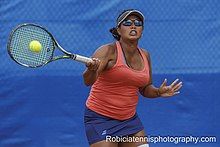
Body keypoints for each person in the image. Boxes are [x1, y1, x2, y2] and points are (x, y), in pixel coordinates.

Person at [83, 9, 183, 147]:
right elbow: (87, 81)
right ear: (118, 30)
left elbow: (145, 88)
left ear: (142, 30)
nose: (133, 26)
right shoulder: (107, 51)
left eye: (138, 23)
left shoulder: (145, 55)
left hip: (129, 120)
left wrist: (159, 92)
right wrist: (91, 69)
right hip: (100, 118)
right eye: (127, 23)